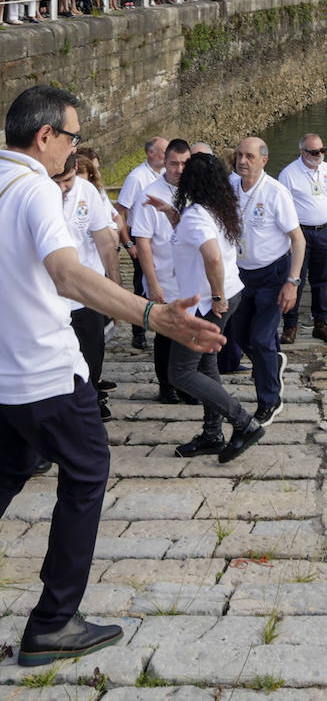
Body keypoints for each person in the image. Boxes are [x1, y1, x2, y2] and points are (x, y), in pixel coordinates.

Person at [1, 85, 222, 667]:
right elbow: (69, 276)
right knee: (88, 470)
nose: (73, 150)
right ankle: (53, 621)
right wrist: (153, 314)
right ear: (46, 137)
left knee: (12, 465)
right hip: (44, 372)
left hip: (3, 376)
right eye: (71, 138)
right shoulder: (35, 191)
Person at [159, 152, 263, 463]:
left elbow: (212, 256)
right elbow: (195, 240)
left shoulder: (197, 215)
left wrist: (216, 295)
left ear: (191, 181)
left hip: (208, 302)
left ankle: (243, 423)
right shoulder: (217, 209)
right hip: (229, 294)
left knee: (180, 372)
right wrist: (170, 214)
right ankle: (212, 434)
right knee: (205, 366)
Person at [228, 138, 305, 427]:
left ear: (263, 160)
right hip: (240, 274)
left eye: (249, 156)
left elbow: (298, 240)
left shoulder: (276, 193)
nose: (242, 161)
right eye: (239, 155)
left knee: (261, 339)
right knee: (239, 336)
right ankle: (272, 363)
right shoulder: (231, 186)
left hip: (272, 274)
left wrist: (292, 282)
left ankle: (269, 401)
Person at [54, 154, 120, 422]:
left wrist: (116, 289)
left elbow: (105, 243)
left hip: (88, 293)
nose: (63, 189)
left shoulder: (87, 192)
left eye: (68, 181)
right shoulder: (38, 192)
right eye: (57, 182)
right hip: (53, 298)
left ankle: (91, 400)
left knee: (93, 353)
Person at [131, 139, 192, 404]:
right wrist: (152, 283)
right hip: (164, 273)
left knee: (189, 332)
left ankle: (187, 382)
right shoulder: (149, 193)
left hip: (191, 275)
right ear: (164, 163)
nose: (179, 169)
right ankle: (166, 385)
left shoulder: (197, 191)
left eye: (184, 163)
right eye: (174, 163)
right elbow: (142, 243)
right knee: (166, 332)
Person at [277, 133, 327, 344]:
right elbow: (281, 209)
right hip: (300, 233)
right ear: (303, 152)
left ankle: (320, 323)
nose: (319, 155)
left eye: (322, 151)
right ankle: (290, 326)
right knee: (295, 279)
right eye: (315, 152)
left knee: (321, 279)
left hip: (325, 230)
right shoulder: (288, 174)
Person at [115, 136, 167, 348]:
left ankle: (164, 328)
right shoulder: (136, 178)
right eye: (164, 152)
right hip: (140, 238)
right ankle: (138, 333)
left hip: (161, 241)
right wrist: (128, 244)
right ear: (151, 153)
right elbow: (119, 212)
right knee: (142, 288)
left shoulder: (167, 175)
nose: (167, 156)